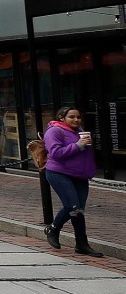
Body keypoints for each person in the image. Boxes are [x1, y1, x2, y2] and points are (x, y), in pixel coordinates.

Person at [42, 106, 103, 257]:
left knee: (79, 210)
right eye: (72, 117)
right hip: (59, 173)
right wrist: (78, 145)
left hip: (79, 176)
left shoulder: (79, 131)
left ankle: (82, 244)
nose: (76, 120)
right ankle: (53, 228)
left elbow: (84, 156)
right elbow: (56, 153)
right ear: (62, 118)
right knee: (72, 206)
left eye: (78, 117)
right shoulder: (54, 131)